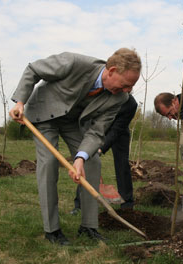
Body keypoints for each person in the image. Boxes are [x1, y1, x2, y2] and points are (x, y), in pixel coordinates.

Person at [9, 49, 141, 245]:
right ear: (112, 71)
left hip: (73, 122)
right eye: (126, 85)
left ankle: (89, 226)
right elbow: (33, 70)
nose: (128, 91)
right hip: (45, 114)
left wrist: (80, 158)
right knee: (49, 163)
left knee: (92, 162)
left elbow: (97, 131)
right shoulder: (73, 63)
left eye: (131, 87)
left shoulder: (119, 98)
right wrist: (20, 102)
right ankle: (52, 230)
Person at [71, 94, 138, 214]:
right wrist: (92, 150)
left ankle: (127, 204)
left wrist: (101, 149)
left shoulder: (130, 104)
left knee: (123, 165)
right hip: (97, 128)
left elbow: (117, 129)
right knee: (86, 163)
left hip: (119, 132)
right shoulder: (104, 94)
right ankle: (79, 204)